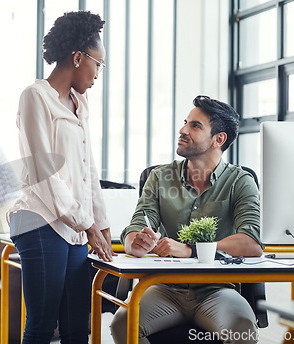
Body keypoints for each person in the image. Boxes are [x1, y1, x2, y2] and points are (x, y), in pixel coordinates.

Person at [111, 95, 264, 344]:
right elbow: (138, 224)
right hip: (164, 288)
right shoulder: (159, 178)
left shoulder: (240, 181)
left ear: (219, 139)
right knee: (121, 324)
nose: (182, 130)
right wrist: (135, 243)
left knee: (243, 330)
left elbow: (251, 242)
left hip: (218, 290)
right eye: (185, 122)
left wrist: (189, 250)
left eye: (195, 125)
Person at [8, 11, 115, 344]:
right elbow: (44, 173)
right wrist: (88, 224)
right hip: (39, 219)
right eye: (98, 64)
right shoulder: (35, 97)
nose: (98, 74)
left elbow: (88, 169)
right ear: (78, 57)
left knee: (76, 326)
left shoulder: (80, 104)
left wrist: (101, 221)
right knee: (42, 323)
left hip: (75, 225)